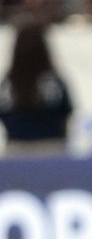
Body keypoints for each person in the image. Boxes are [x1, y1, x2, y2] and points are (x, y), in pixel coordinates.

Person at [0, 20, 73, 155]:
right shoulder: (53, 80)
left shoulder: (8, 82)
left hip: (16, 149)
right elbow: (67, 110)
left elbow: (3, 113)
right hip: (52, 148)